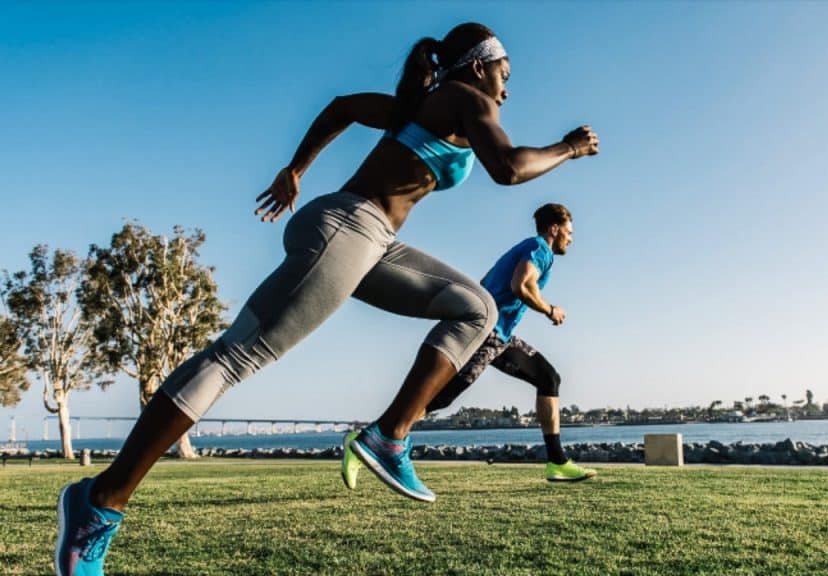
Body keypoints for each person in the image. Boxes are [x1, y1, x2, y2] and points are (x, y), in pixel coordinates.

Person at [55, 22, 598, 576]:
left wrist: (296, 170)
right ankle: (99, 504)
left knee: (477, 309)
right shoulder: (462, 96)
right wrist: (570, 148)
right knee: (235, 357)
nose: (507, 91)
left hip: (371, 239)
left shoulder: (422, 106)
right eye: (505, 76)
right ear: (481, 66)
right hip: (350, 228)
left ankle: (388, 437)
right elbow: (507, 168)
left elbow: (343, 107)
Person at [342, 203, 595, 488]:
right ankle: (371, 436)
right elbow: (521, 286)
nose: (571, 239)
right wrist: (550, 310)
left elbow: (489, 283)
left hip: (500, 337)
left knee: (548, 377)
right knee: (440, 399)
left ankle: (557, 462)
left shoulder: (526, 248)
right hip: (487, 335)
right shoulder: (540, 248)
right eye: (569, 232)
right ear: (554, 228)